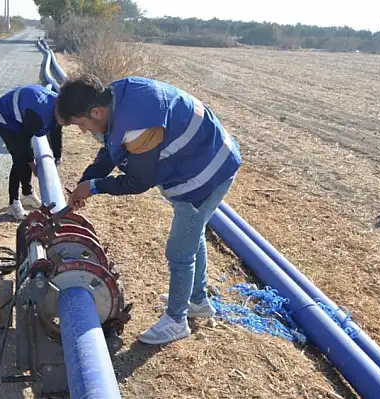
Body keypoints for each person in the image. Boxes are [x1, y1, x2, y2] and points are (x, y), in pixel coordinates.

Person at [56, 74, 242, 345]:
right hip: (203, 157)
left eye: (81, 123)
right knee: (193, 234)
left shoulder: (138, 127)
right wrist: (87, 180)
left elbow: (138, 182)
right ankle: (197, 300)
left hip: (208, 171)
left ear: (95, 112)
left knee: (180, 250)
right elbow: (111, 149)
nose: (83, 130)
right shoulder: (116, 96)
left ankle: (177, 320)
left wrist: (95, 186)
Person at [0, 84, 63, 219]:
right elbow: (24, 141)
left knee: (25, 156)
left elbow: (56, 130)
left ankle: (27, 193)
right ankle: (13, 203)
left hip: (22, 111)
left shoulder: (59, 106)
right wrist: (32, 164)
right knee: (20, 158)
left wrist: (57, 156)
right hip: (4, 116)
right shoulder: (38, 115)